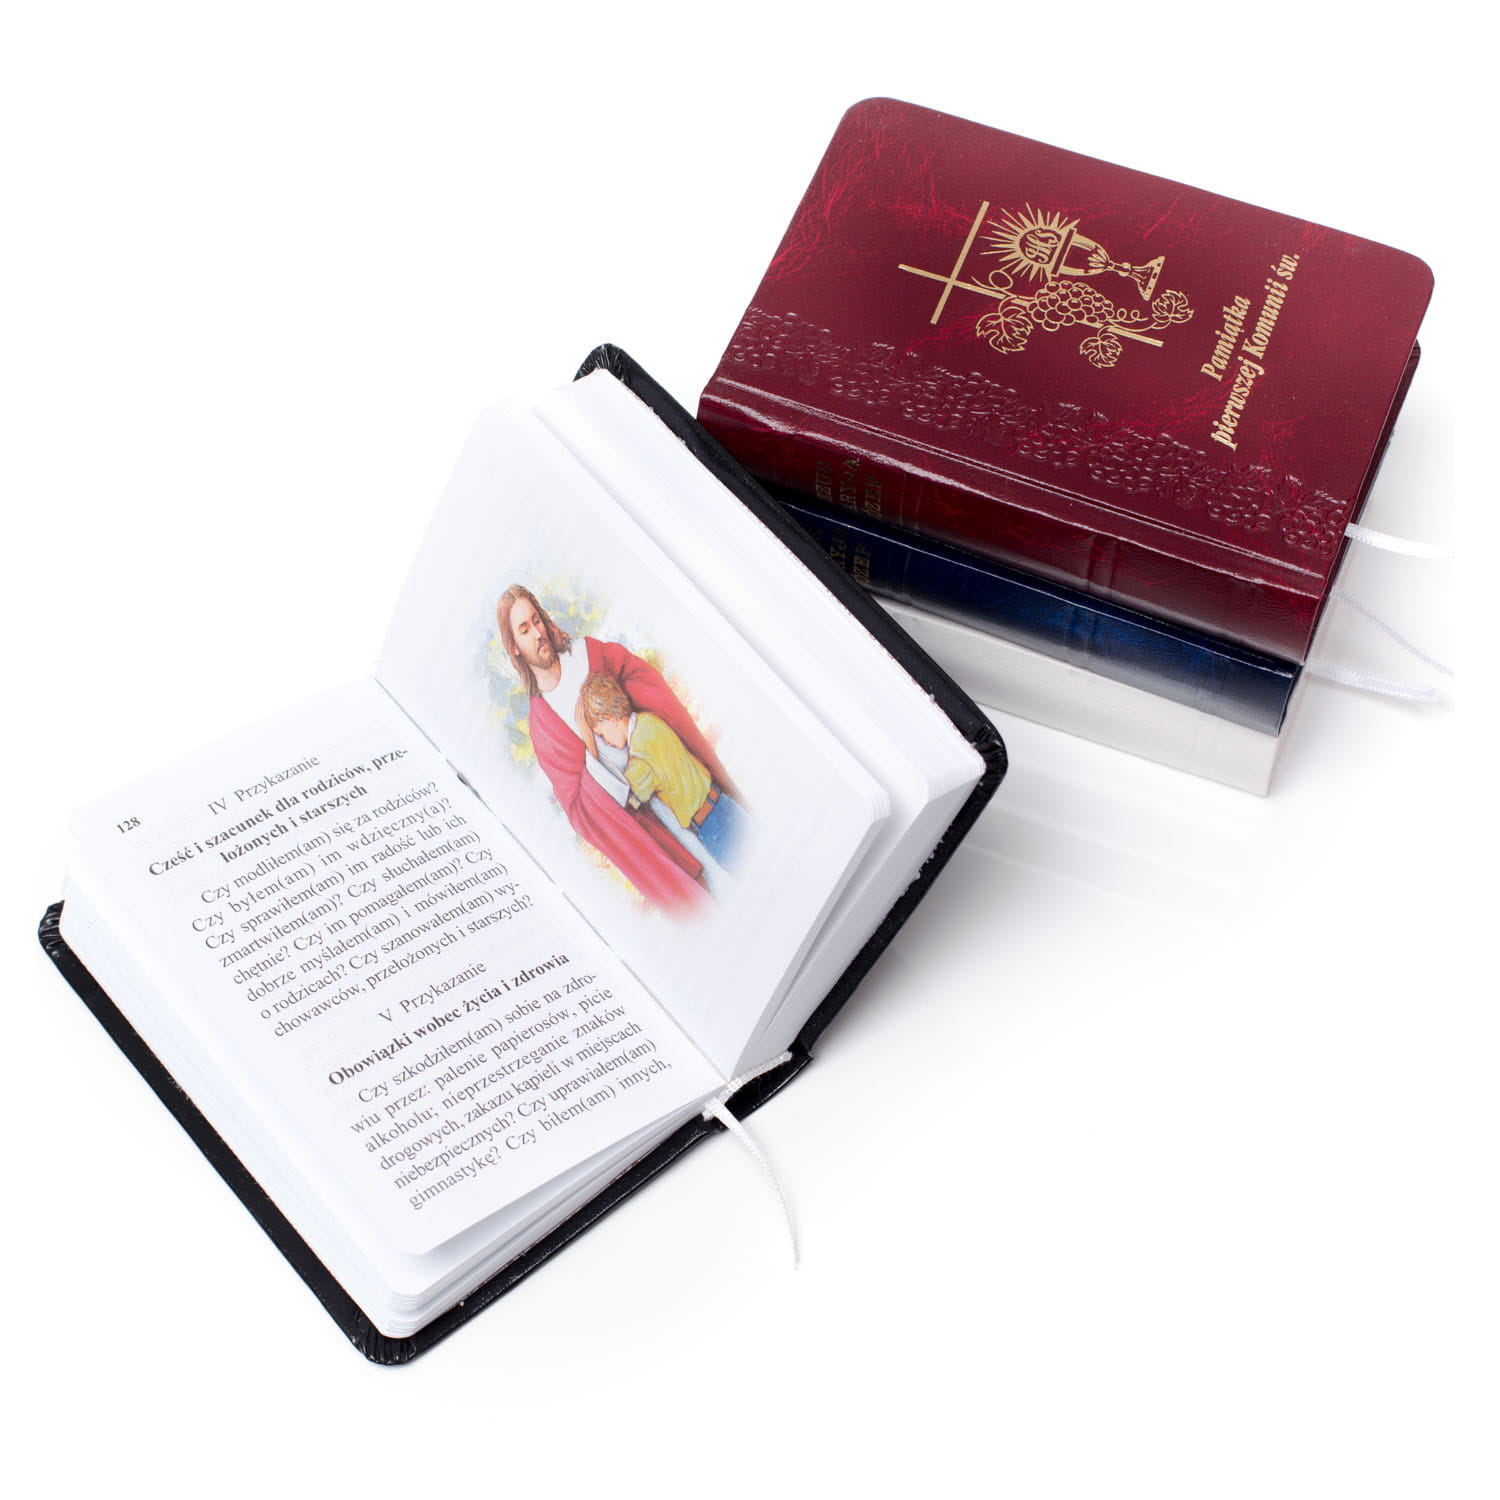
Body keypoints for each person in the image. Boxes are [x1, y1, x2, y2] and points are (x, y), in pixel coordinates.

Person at [497, 584, 734, 913]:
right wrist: (596, 763)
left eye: (536, 620)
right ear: (515, 648)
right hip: (640, 821)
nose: (537, 633)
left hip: (674, 784)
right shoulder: (543, 724)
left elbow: (644, 683)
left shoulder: (587, 654)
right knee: (700, 885)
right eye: (524, 630)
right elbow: (578, 807)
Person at [578, 669, 743, 887]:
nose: (605, 742)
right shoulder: (649, 722)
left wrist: (591, 751)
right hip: (722, 804)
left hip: (711, 826)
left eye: (601, 734)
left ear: (610, 719)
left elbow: (626, 800)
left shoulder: (639, 753)